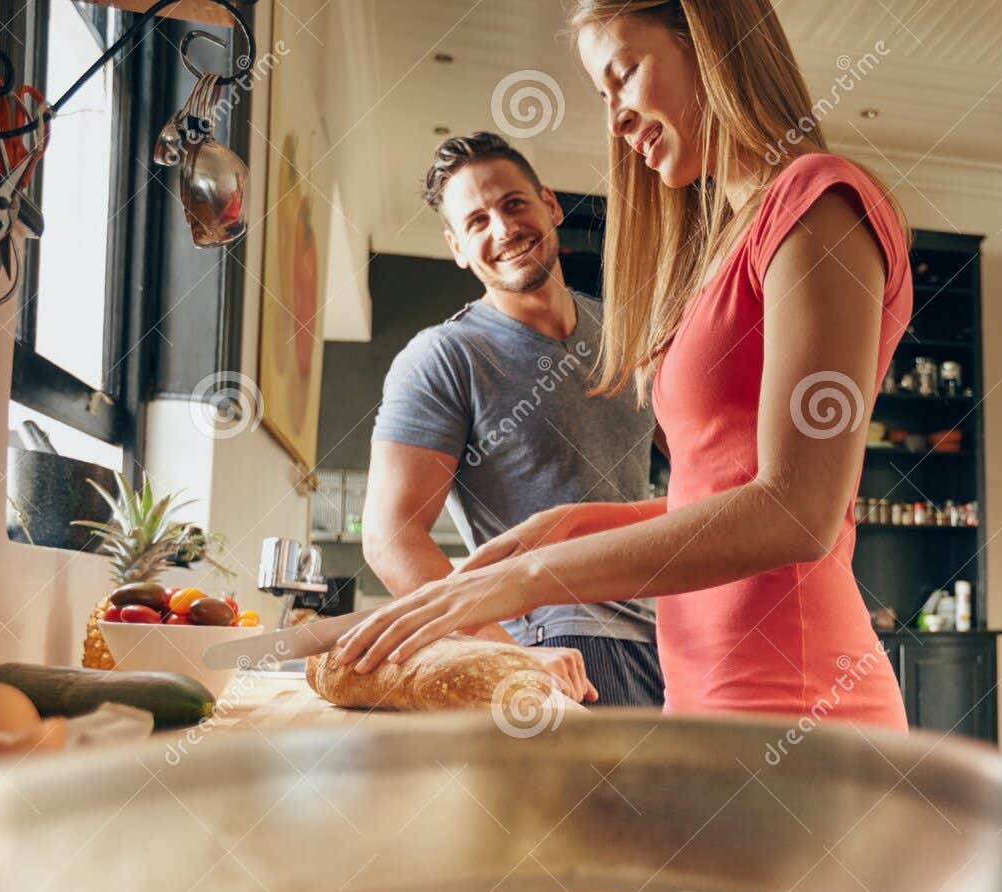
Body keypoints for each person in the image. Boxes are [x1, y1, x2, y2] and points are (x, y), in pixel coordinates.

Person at [341, 0, 910, 730]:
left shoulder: (816, 202)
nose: (613, 122)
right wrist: (569, 524)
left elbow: (796, 510)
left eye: (625, 75)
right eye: (601, 97)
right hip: (699, 682)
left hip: (791, 693)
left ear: (706, 42)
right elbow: (715, 489)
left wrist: (525, 577)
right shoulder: (720, 252)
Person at [360, 132, 664, 708]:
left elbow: (708, 468)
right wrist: (506, 656)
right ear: (457, 246)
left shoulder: (628, 334)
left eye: (513, 204)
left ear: (549, 205)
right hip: (555, 646)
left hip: (666, 636)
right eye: (476, 221)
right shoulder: (445, 357)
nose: (502, 230)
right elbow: (389, 538)